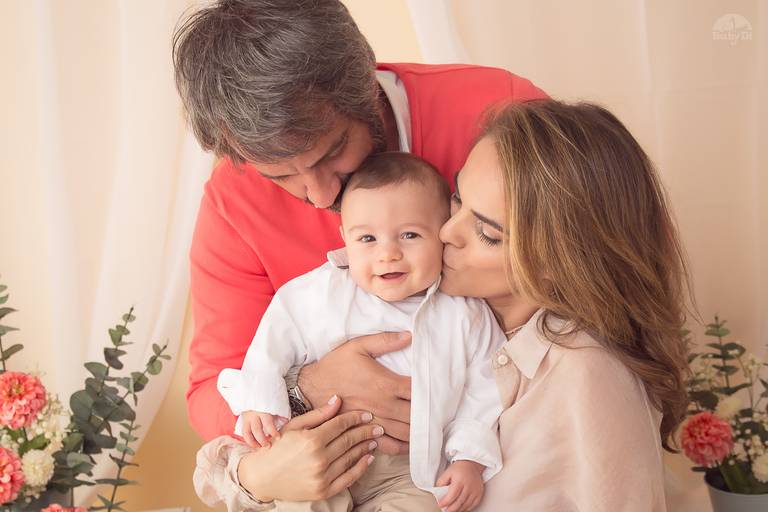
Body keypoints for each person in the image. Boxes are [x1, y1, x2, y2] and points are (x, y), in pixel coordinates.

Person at [194, 99, 691, 512]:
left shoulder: (585, 376)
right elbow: (220, 441)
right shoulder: (451, 315)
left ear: (564, 261)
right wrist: (293, 408)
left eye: (487, 232)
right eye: (456, 200)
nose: (446, 233)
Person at [172, 0, 548, 464]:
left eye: (333, 151)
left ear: (365, 86)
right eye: (281, 176)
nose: (321, 193)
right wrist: (305, 389)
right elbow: (210, 391)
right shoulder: (233, 204)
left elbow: (606, 282)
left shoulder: (502, 112)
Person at [214, 152, 505, 511]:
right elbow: (272, 344)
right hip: (325, 448)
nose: (388, 254)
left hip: (411, 469)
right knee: (299, 502)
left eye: (410, 235)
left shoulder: (465, 312)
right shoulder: (320, 293)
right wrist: (260, 403)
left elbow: (484, 390)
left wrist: (470, 459)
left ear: (442, 232)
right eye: (367, 239)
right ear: (345, 240)